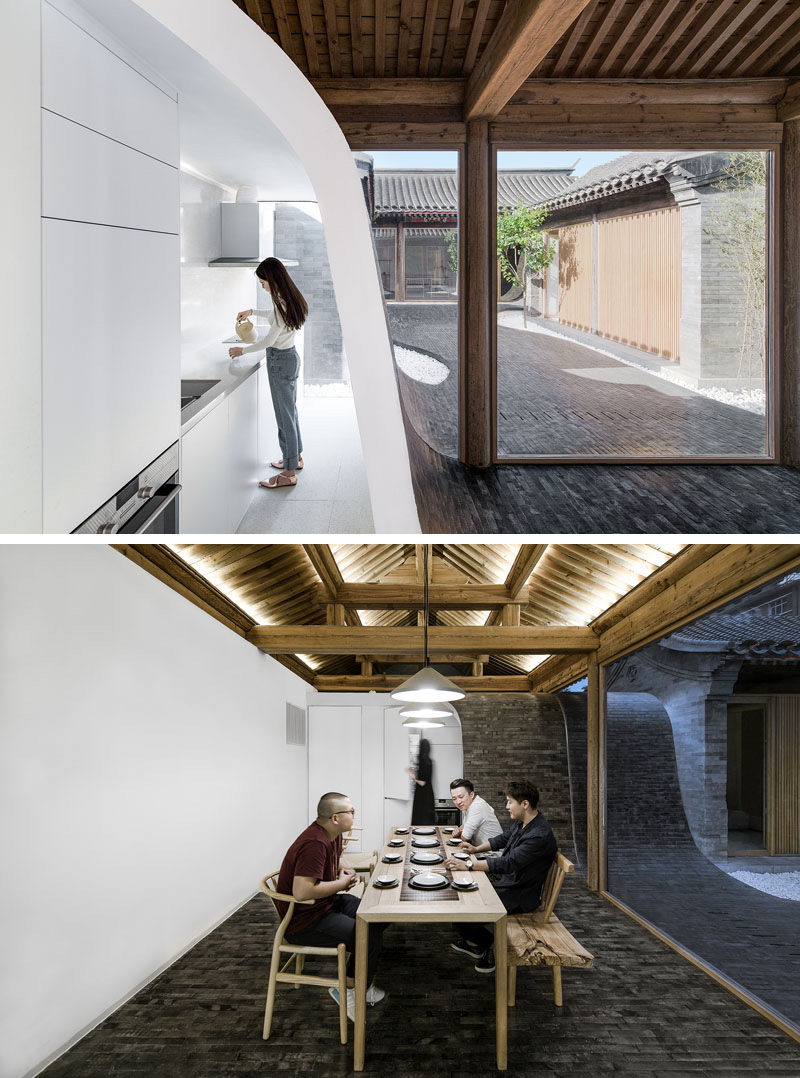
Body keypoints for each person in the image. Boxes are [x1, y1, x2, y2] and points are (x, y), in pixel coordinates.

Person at [275, 791, 387, 1020]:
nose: (354, 815)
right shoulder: (314, 843)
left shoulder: (331, 833)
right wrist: (341, 883)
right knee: (369, 931)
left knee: (377, 915)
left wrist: (343, 869)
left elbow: (334, 859)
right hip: (304, 922)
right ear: (335, 818)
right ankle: (351, 990)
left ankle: (350, 981)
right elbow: (302, 891)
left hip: (325, 905)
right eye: (351, 812)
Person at [444, 780, 556, 974]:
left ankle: (492, 947)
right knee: (460, 899)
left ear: (525, 804)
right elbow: (502, 840)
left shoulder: (538, 835)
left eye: (509, 802)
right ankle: (475, 943)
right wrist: (476, 848)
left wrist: (469, 864)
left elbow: (508, 863)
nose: (506, 807)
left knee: (465, 904)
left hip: (521, 894)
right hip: (510, 883)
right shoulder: (525, 823)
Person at [229, 257, 308, 490]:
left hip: (280, 361)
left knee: (285, 418)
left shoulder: (282, 303)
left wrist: (241, 349)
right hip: (289, 358)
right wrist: (251, 311)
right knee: (289, 413)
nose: (262, 286)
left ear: (272, 280)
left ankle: (289, 472)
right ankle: (295, 458)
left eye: (263, 282)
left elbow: (268, 340)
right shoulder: (287, 299)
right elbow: (274, 316)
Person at [449, 778, 502, 846]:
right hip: (479, 851)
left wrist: (460, 831)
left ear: (471, 795)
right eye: (454, 799)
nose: (458, 802)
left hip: (491, 854)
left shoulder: (477, 806)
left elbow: (465, 837)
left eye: (461, 797)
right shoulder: (468, 805)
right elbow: (464, 827)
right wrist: (460, 830)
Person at [407, 737, 435, 825]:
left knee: (420, 823)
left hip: (422, 796)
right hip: (428, 794)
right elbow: (424, 778)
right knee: (428, 824)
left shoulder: (423, 761)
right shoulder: (429, 761)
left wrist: (412, 774)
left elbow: (422, 782)